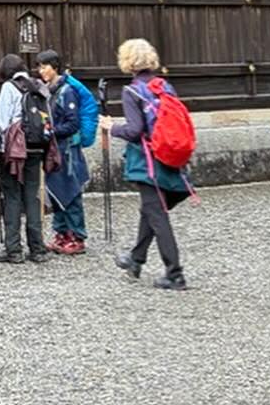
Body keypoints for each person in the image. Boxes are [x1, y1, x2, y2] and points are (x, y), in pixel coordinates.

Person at [101, 37, 189, 291]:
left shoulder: (132, 91)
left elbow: (134, 130)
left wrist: (111, 127)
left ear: (127, 61)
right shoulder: (164, 87)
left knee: (157, 215)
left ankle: (175, 273)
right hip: (170, 158)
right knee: (150, 211)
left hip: (148, 161)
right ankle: (135, 259)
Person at [0, 53, 47, 263]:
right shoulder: (38, 85)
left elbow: (4, 122)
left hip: (16, 149)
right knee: (32, 196)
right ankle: (37, 248)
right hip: (37, 147)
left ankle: (14, 249)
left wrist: (0, 147)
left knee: (13, 195)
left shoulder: (9, 87)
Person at [36, 49, 89, 255]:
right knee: (55, 191)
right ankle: (61, 233)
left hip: (67, 149)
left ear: (54, 67)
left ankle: (77, 235)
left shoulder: (66, 91)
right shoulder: (47, 90)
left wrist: (52, 131)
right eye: (39, 67)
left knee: (71, 191)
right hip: (54, 148)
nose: (41, 71)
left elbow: (72, 123)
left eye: (44, 66)